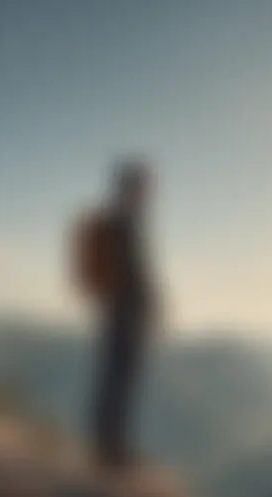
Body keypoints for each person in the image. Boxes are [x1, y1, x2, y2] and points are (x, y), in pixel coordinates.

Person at [75, 160, 158, 471]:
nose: (149, 193)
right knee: (119, 379)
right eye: (145, 186)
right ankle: (110, 450)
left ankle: (108, 445)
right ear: (133, 188)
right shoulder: (123, 223)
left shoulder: (121, 221)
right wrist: (145, 305)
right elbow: (134, 275)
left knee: (114, 377)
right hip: (124, 312)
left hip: (116, 311)